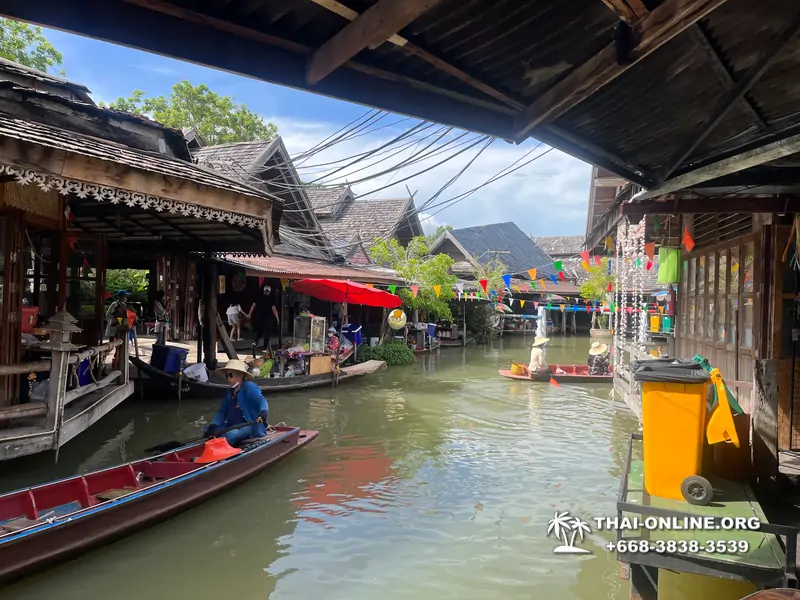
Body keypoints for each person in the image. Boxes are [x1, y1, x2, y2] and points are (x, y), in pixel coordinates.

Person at [203, 359, 269, 447]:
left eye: (230, 375)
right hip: (233, 425)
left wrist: (263, 412)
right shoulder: (229, 392)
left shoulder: (250, 387)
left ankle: (223, 449)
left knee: (231, 435)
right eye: (227, 375)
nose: (228, 378)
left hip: (250, 425)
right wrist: (214, 425)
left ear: (240, 375)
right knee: (207, 430)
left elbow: (262, 401)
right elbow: (222, 411)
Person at [248, 284, 280, 350]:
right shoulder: (271, 299)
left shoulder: (259, 297)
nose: (266, 292)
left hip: (260, 317)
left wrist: (250, 313)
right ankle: (264, 346)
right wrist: (277, 318)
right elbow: (274, 309)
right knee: (267, 332)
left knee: (260, 331)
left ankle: (256, 342)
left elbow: (253, 305)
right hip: (267, 318)